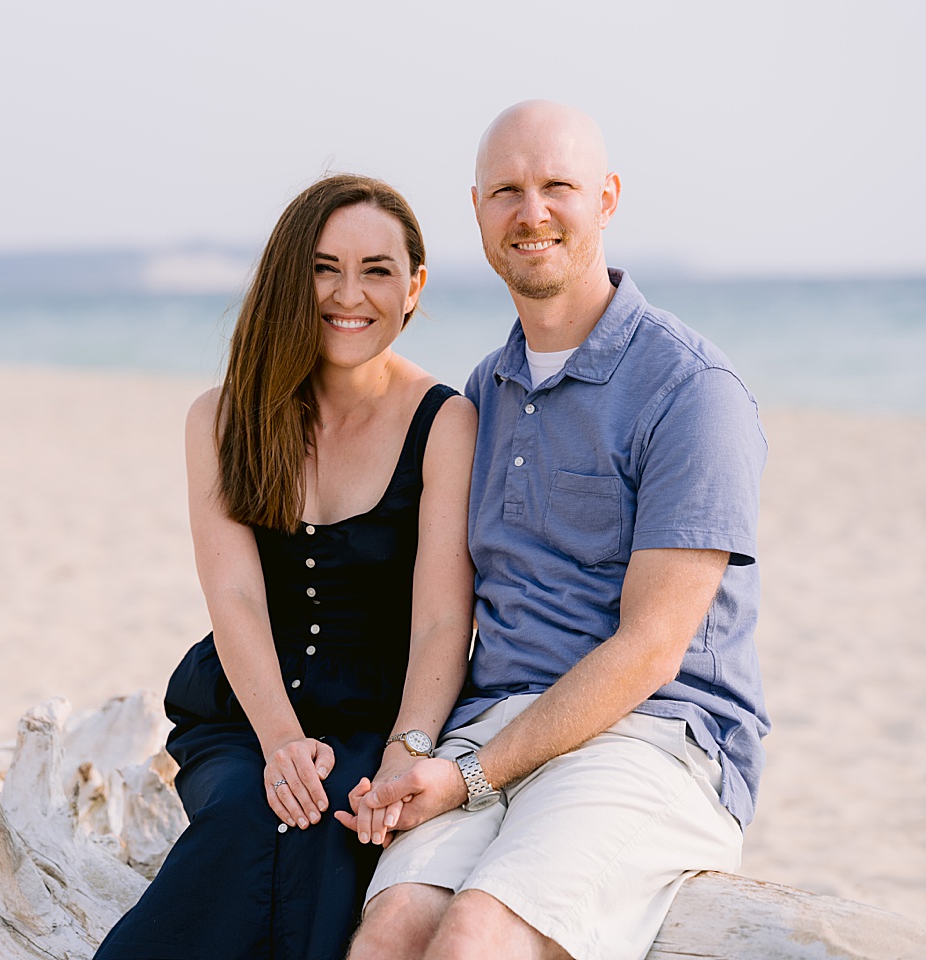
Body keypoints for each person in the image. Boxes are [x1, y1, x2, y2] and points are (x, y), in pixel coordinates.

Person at [344, 101, 770, 960]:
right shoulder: (485, 389)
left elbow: (651, 649)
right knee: (391, 931)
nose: (531, 212)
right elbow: (446, 622)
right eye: (507, 190)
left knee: (477, 935)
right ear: (477, 212)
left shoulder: (692, 390)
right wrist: (414, 751)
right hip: (492, 729)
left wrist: (469, 773)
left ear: (606, 199)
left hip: (656, 738)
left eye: (557, 187)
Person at [93, 174, 477, 960]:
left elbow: (444, 617)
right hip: (244, 714)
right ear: (290, 276)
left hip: (383, 715)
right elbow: (231, 592)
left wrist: (408, 749)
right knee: (251, 813)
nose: (349, 294)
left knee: (330, 827)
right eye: (325, 266)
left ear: (414, 288)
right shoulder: (223, 416)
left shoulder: (445, 420)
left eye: (377, 270)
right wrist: (279, 742)